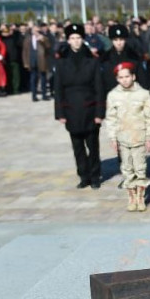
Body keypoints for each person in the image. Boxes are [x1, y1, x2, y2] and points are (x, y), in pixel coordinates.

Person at [55, 23, 105, 189]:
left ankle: (95, 175)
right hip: (71, 109)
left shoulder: (92, 61)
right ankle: (84, 175)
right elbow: (58, 89)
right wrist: (60, 113)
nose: (76, 41)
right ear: (68, 40)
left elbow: (99, 88)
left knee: (92, 145)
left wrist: (99, 112)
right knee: (77, 146)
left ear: (83, 40)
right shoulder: (62, 62)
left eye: (78, 38)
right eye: (72, 38)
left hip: (89, 108)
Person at [104, 61, 150, 212]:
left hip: (139, 137)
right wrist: (113, 138)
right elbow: (111, 118)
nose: (125, 80)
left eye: (127, 76)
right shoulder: (113, 95)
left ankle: (140, 198)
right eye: (121, 77)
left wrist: (149, 138)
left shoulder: (143, 94)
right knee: (127, 169)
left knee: (140, 168)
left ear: (133, 76)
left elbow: (149, 117)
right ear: (117, 79)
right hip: (123, 138)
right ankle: (131, 198)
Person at [23, 23, 50, 102]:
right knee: (33, 78)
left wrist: (43, 40)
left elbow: (48, 46)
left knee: (43, 78)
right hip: (32, 59)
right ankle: (34, 96)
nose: (35, 31)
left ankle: (44, 95)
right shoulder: (28, 39)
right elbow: (24, 51)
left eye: (37, 30)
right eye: (34, 30)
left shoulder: (43, 37)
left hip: (41, 59)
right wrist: (26, 62)